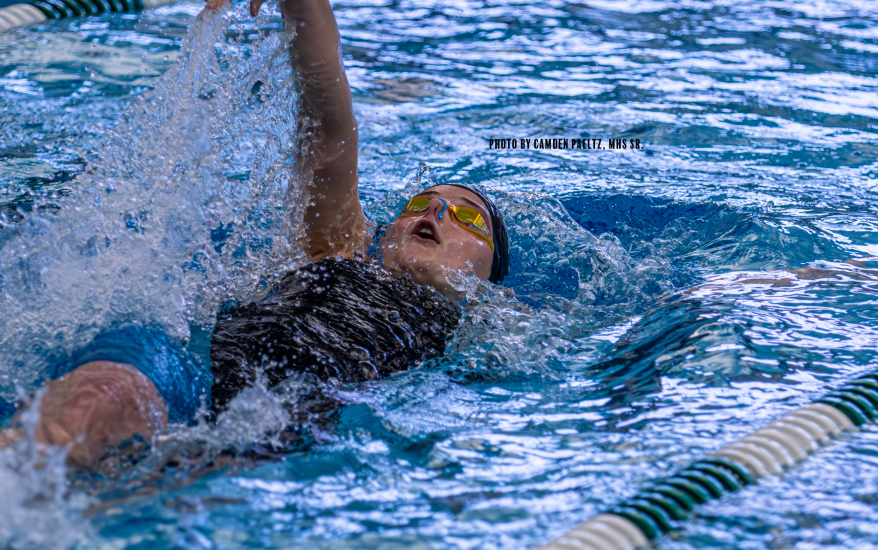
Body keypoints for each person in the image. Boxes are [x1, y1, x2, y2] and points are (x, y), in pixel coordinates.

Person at [0, 0, 510, 467]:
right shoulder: (339, 248)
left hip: (276, 432)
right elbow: (330, 123)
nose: (438, 210)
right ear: (384, 231)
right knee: (97, 400)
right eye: (422, 203)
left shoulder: (500, 333)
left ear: (490, 275)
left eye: (467, 218)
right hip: (190, 377)